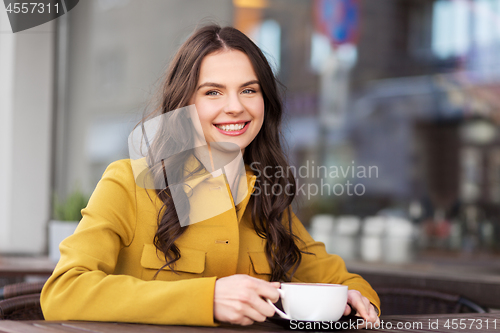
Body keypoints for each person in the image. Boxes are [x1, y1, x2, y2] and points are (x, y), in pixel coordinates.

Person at [41, 24, 380, 327]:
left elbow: (347, 283)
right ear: (184, 105)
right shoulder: (128, 182)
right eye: (213, 92)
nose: (235, 106)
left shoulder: (267, 195)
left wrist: (351, 302)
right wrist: (208, 298)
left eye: (249, 90)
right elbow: (63, 291)